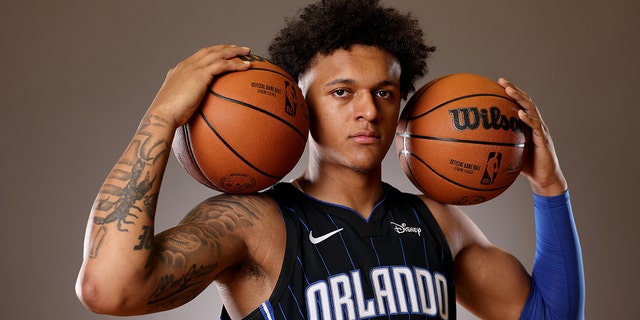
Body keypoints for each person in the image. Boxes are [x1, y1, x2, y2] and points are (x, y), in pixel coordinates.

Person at [75, 0, 584, 319]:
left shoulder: (437, 223)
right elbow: (110, 288)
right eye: (342, 92)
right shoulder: (252, 223)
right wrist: (162, 117)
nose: (367, 110)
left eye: (384, 93)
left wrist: (550, 188)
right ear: (300, 102)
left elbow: (551, 316)